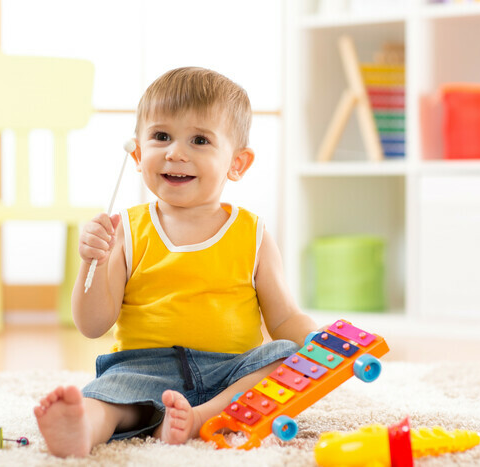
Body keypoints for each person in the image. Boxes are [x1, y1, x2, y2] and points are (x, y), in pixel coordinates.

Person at [34, 67, 319, 457]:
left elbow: (284, 318)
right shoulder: (127, 230)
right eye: (161, 136)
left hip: (231, 374)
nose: (175, 152)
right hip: (144, 369)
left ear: (237, 163)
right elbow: (92, 324)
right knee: (111, 398)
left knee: (283, 357)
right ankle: (82, 427)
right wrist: (92, 263)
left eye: (199, 140)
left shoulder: (252, 233)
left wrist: (315, 343)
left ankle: (202, 417)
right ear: (137, 153)